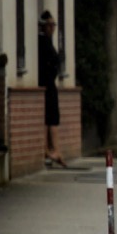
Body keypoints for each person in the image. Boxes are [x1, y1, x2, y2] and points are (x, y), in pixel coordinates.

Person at [38, 12, 66, 168]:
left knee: (52, 116)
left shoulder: (47, 42)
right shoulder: (43, 43)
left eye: (53, 25)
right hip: (46, 84)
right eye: (50, 25)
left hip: (49, 84)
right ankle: (52, 150)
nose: (52, 28)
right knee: (50, 116)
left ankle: (52, 150)